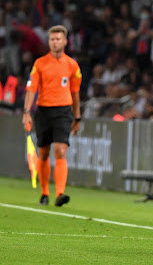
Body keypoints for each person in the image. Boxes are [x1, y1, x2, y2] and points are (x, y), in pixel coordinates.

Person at [22, 25, 82, 207]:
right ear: (49, 42)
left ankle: (60, 193)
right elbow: (31, 89)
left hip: (63, 111)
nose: (55, 42)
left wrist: (77, 117)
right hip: (43, 111)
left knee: (61, 150)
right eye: (52, 39)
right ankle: (44, 192)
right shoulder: (40, 64)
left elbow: (75, 93)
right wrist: (26, 112)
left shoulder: (72, 65)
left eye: (58, 39)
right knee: (44, 152)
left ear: (65, 41)